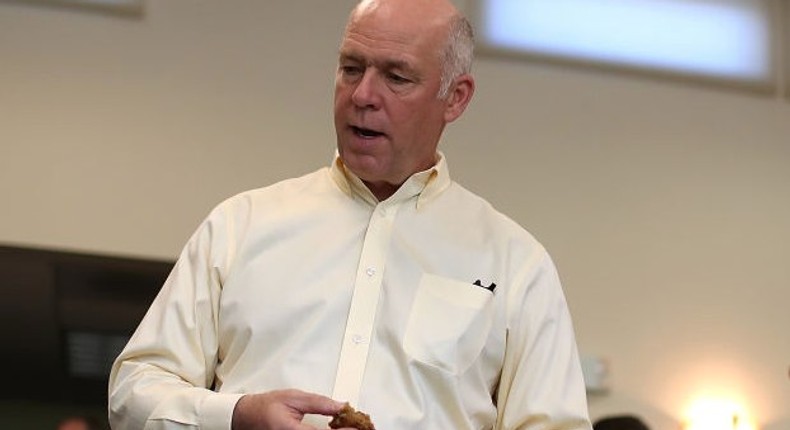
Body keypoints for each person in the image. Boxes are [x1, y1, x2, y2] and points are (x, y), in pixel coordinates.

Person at [108, 0, 592, 429]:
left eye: (396, 77)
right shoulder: (240, 226)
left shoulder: (515, 263)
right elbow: (133, 393)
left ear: (456, 97)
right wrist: (236, 416)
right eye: (351, 68)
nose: (362, 95)